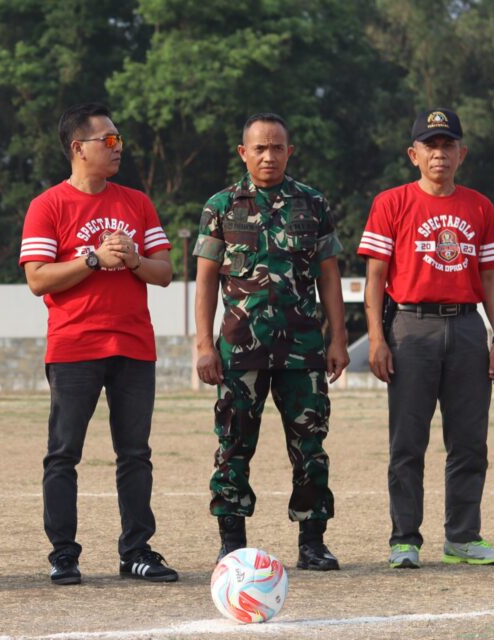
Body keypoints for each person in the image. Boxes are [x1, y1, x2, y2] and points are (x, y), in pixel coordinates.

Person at [20, 102, 177, 585]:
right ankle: (63, 554)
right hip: (74, 348)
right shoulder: (48, 205)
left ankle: (137, 550)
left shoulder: (137, 202)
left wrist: (131, 260)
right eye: (107, 141)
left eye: (119, 140)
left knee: (135, 453)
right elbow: (38, 279)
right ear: (77, 148)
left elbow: (166, 272)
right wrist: (92, 258)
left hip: (133, 345)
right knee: (63, 454)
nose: (117, 148)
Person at [193, 113, 349, 571]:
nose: (268, 155)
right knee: (233, 445)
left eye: (277, 147)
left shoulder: (313, 204)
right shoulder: (221, 206)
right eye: (259, 148)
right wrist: (204, 343)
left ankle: (312, 541)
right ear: (243, 153)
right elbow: (205, 280)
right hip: (240, 351)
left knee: (310, 447)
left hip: (303, 351)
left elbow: (329, 276)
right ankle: (232, 541)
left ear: (289, 151)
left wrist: (338, 338)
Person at [358, 108, 494, 569]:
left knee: (469, 440)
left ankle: (463, 537)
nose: (439, 153)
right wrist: (377, 339)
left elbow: (491, 278)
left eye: (448, 145)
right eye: (430, 145)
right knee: (408, 441)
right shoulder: (391, 202)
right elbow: (375, 277)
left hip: (466, 326)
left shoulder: (479, 206)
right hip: (411, 326)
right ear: (413, 154)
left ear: (461, 153)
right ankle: (404, 539)